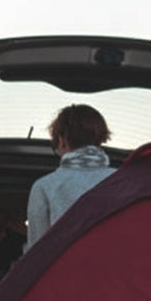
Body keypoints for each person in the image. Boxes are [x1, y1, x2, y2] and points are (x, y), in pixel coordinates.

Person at [25, 104, 112, 249]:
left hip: (68, 271)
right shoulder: (125, 180)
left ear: (61, 140)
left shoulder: (45, 187)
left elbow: (36, 253)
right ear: (100, 138)